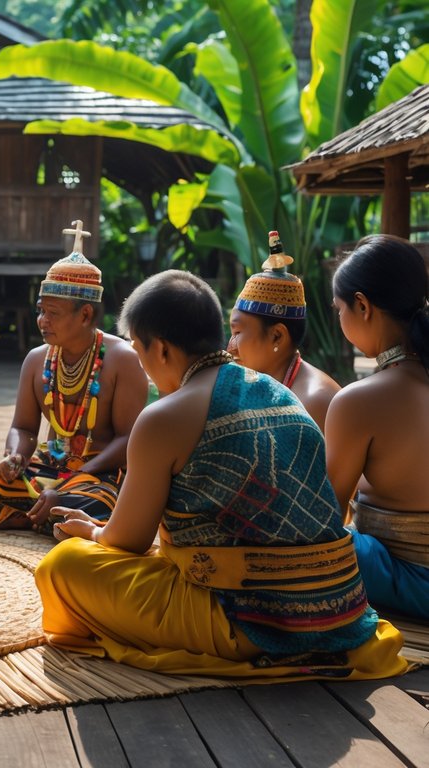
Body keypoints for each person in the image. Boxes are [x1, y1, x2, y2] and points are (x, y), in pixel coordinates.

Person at [35, 269, 406, 680]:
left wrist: (93, 532)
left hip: (254, 623)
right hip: (339, 612)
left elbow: (128, 541)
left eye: (139, 350)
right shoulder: (281, 393)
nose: (142, 366)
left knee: (63, 565)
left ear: (161, 349)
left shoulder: (162, 418)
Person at [0, 222, 145, 529]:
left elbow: (129, 440)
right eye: (40, 311)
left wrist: (76, 478)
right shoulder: (37, 359)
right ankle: (49, 517)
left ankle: (47, 514)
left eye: (53, 313)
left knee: (96, 503)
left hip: (99, 475)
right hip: (49, 468)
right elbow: (23, 427)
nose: (42, 321)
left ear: (85, 315)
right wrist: (15, 457)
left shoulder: (122, 359)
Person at [326, 235, 429, 618]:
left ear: (363, 306)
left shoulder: (359, 401)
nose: (340, 318)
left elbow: (326, 521)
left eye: (339, 309)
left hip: (411, 583)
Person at [228, 230, 340, 429]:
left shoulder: (314, 401)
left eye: (237, 333)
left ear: (277, 336)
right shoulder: (262, 384)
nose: (230, 348)